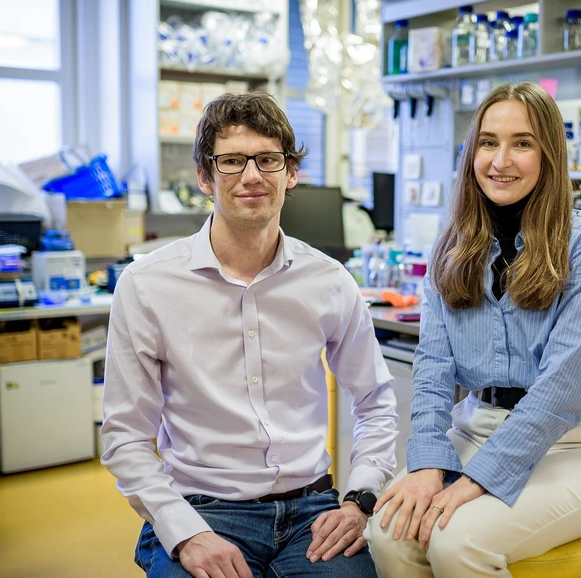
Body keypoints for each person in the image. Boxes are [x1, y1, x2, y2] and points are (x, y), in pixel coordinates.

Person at [101, 91, 399, 578]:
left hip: (312, 512)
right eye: (232, 161)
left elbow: (375, 399)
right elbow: (125, 437)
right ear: (204, 177)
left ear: (292, 174)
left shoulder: (328, 280)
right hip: (202, 508)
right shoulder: (148, 285)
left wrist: (360, 498)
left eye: (269, 160)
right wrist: (187, 532)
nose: (253, 176)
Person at [366, 82, 581, 578]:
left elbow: (561, 391)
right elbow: (433, 369)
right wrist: (427, 463)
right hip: (474, 429)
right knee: (388, 532)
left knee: (456, 543)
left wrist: (477, 481)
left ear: (548, 154)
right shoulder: (453, 246)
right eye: (488, 142)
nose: (500, 160)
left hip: (573, 446)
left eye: (522, 143)